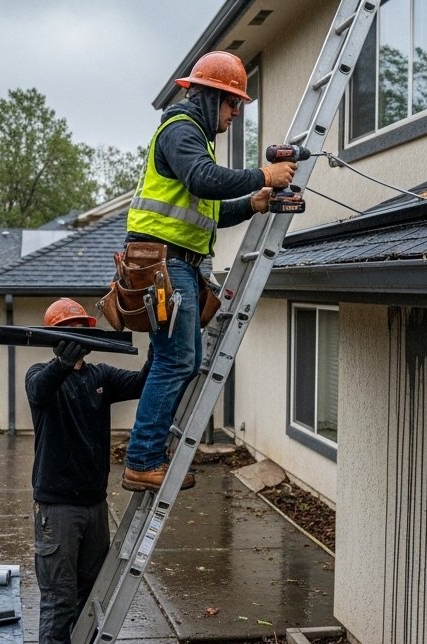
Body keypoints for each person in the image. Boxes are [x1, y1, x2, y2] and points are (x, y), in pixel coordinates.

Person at [120, 50, 297, 492]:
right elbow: (205, 180)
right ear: (208, 96)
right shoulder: (181, 130)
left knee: (173, 360)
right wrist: (263, 176)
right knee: (180, 361)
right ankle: (143, 460)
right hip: (164, 263)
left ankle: (148, 455)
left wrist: (251, 204)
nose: (236, 112)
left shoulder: (195, 137)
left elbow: (207, 212)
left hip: (175, 262)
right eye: (232, 102)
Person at [26, 297, 150, 644]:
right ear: (57, 338)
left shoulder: (101, 376)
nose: (80, 335)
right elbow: (41, 389)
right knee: (59, 600)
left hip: (94, 506)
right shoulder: (41, 377)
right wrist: (62, 362)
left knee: (91, 598)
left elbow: (143, 383)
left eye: (84, 327)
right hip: (56, 509)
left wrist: (165, 343)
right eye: (71, 329)